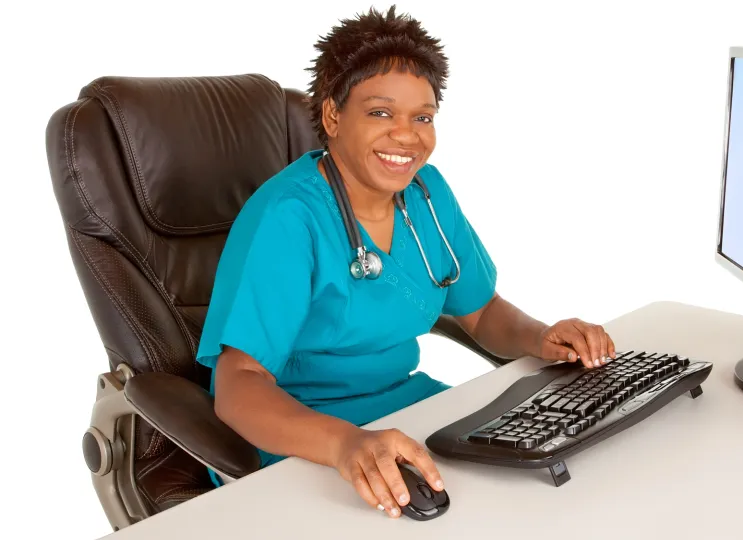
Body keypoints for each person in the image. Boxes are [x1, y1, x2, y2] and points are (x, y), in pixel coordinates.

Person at [196, 4, 617, 519]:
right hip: (303, 439)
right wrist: (345, 445)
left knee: (552, 492)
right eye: (380, 113)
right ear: (332, 115)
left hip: (410, 410)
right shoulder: (289, 217)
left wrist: (541, 336)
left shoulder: (428, 195)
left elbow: (481, 312)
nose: (407, 135)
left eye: (422, 117)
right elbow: (238, 386)